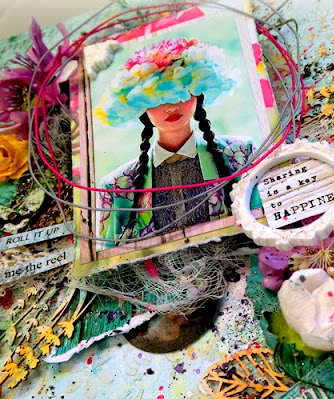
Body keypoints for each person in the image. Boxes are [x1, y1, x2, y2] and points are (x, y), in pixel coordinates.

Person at [95, 38, 255, 246]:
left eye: (181, 92)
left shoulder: (241, 154)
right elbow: (110, 256)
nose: (171, 107)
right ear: (140, 106)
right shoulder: (116, 186)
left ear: (198, 93)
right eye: (157, 98)